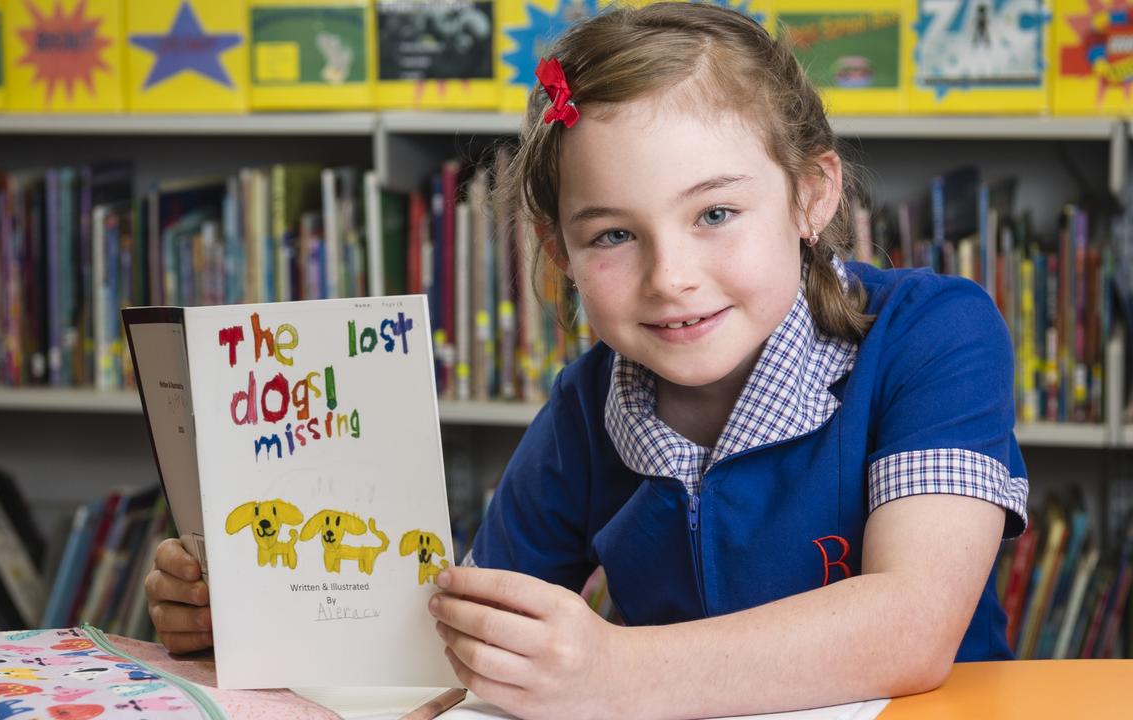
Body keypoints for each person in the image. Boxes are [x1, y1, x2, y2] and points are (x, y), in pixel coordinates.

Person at [144, 4, 1028, 718]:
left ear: (810, 195)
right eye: (613, 235)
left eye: (715, 213)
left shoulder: (934, 333)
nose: (671, 279)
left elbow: (912, 625)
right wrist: (272, 614)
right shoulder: (587, 406)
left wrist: (615, 671)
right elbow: (464, 647)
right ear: (557, 251)